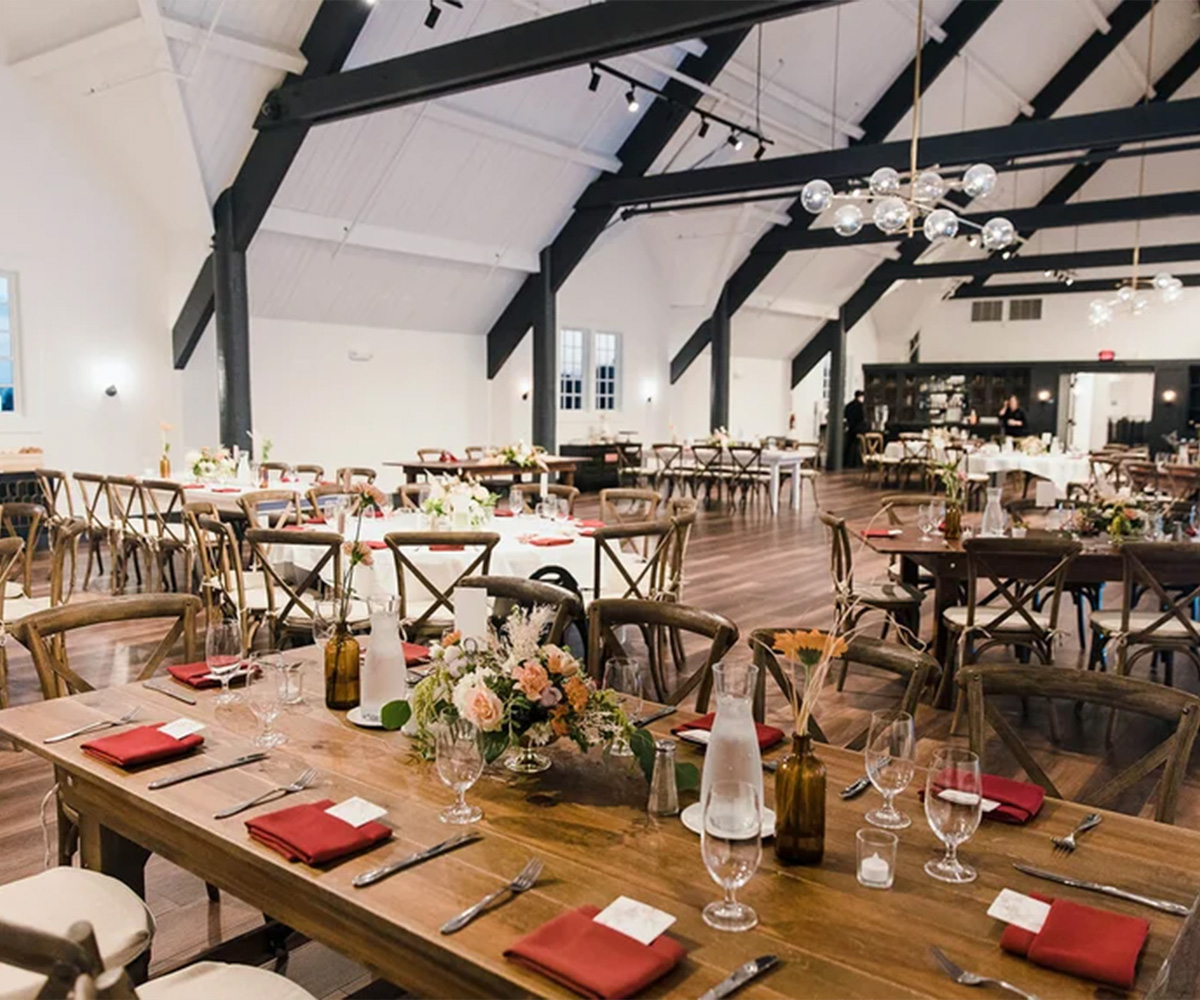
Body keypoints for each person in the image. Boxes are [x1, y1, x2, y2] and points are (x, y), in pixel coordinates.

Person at [843, 390, 867, 468]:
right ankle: (856, 463)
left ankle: (847, 462)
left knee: (849, 446)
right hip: (857, 428)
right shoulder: (860, 406)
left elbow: (845, 415)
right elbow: (861, 418)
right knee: (857, 446)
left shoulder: (849, 405)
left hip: (850, 427)